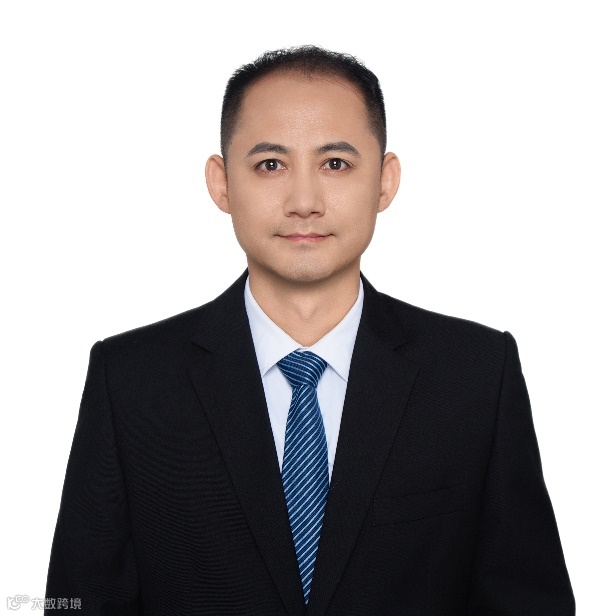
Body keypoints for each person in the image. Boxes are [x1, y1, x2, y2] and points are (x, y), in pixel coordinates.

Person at [45, 45, 575, 615]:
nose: (304, 202)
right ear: (221, 183)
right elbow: (77, 603)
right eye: (270, 165)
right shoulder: (131, 380)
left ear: (385, 181)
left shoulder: (475, 374)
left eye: (336, 164)